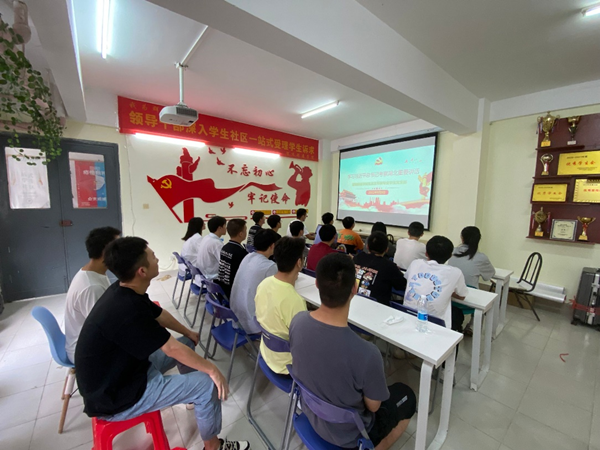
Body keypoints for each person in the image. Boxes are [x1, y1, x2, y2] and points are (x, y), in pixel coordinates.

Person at [75, 237, 249, 450]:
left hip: (124, 372)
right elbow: (171, 349)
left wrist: (187, 332)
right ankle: (213, 446)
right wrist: (212, 370)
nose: (157, 259)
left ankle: (193, 398)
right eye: (153, 256)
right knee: (206, 383)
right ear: (142, 271)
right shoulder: (127, 310)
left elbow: (159, 314)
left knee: (187, 343)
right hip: (116, 396)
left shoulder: (123, 290)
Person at [290, 253, 416, 449]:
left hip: (310, 414)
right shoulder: (367, 353)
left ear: (317, 284)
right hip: (350, 435)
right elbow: (373, 406)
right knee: (406, 395)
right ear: (355, 289)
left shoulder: (297, 321)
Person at [64, 226, 121, 363]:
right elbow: (105, 330)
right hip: (87, 354)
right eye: (117, 247)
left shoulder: (94, 272)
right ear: (105, 251)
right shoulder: (92, 287)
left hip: (89, 343)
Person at [255, 237, 307, 374]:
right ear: (299, 262)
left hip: (266, 352)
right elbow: (303, 344)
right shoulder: (295, 301)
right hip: (287, 365)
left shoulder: (263, 284)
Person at [403, 235, 469, 331]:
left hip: (407, 315)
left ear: (426, 253)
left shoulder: (416, 263)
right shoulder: (455, 272)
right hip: (436, 324)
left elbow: (408, 280)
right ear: (450, 256)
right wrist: (448, 292)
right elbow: (462, 296)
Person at [230, 229, 281, 334]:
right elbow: (276, 295)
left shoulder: (248, 257)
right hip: (252, 322)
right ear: (272, 246)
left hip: (236, 317)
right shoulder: (269, 266)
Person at [448, 226, 495, 335]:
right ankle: (472, 327)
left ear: (462, 238)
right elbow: (489, 276)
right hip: (467, 299)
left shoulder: (452, 251)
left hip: (450, 296)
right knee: (484, 297)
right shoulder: (481, 257)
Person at [354, 232, 406, 306]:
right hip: (377, 307)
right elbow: (401, 284)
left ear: (367, 246)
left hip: (354, 301)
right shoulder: (389, 266)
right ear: (386, 249)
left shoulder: (357, 258)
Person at [217, 219, 248, 298]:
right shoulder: (240, 252)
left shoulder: (225, 247)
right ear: (241, 234)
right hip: (233, 292)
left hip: (223, 288)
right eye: (245, 230)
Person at [195, 216, 227, 280]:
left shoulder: (206, 237)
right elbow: (225, 264)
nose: (226, 228)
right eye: (225, 225)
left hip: (203, 275)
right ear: (220, 228)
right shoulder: (216, 243)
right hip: (212, 278)